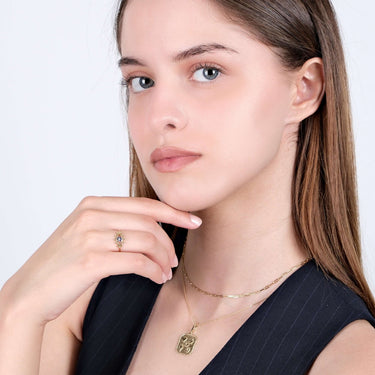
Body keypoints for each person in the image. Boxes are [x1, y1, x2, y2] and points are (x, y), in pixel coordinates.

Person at [1, 0, 375, 374]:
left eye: (208, 71)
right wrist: (16, 308)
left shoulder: (350, 356)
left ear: (304, 89)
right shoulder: (82, 294)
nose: (160, 115)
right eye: (142, 80)